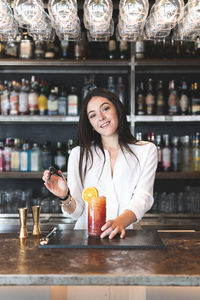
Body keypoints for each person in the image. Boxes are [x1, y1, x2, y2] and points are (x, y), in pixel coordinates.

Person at [42, 88, 158, 239]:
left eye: (105, 108)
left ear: (117, 109)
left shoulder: (146, 150)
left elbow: (144, 197)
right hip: (87, 240)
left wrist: (120, 222)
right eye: (93, 115)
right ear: (90, 124)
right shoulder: (79, 154)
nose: (101, 117)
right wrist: (65, 196)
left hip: (128, 238)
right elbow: (77, 213)